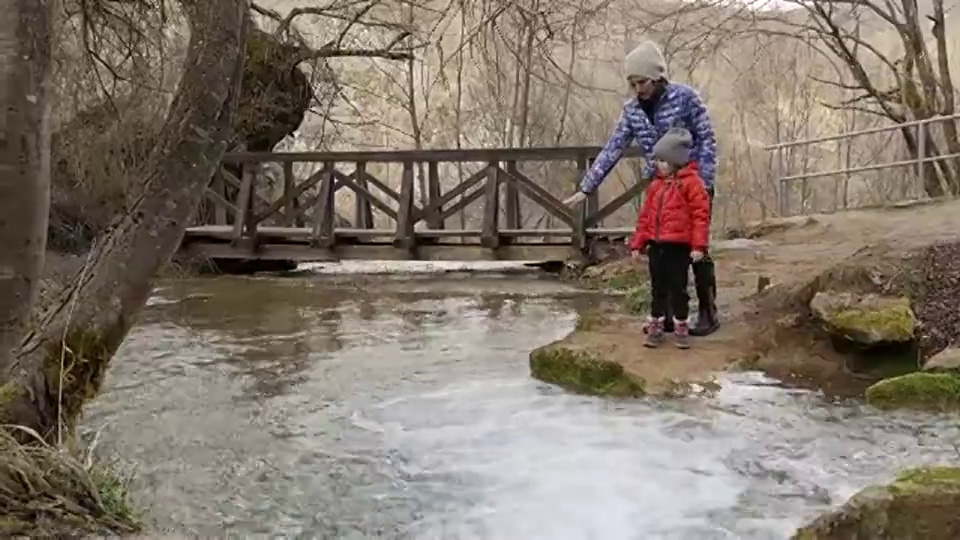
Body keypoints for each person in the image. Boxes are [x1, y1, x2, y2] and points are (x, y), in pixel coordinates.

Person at [562, 39, 720, 336]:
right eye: (632, 83)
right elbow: (613, 148)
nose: (638, 89)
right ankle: (671, 314)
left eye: (642, 82)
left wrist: (705, 185)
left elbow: (707, 140)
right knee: (663, 251)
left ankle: (708, 312)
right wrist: (587, 187)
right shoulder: (632, 111)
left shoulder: (685, 98)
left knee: (697, 247)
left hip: (691, 183)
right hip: (660, 187)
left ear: (658, 76)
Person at [629, 128, 711, 349]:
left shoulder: (692, 184)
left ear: (676, 161)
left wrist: (698, 246)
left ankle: (681, 326)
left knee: (678, 288)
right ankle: (656, 324)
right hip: (657, 246)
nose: (659, 164)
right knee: (658, 288)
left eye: (664, 160)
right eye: (657, 160)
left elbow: (700, 216)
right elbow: (645, 217)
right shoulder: (656, 185)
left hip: (678, 247)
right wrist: (638, 243)